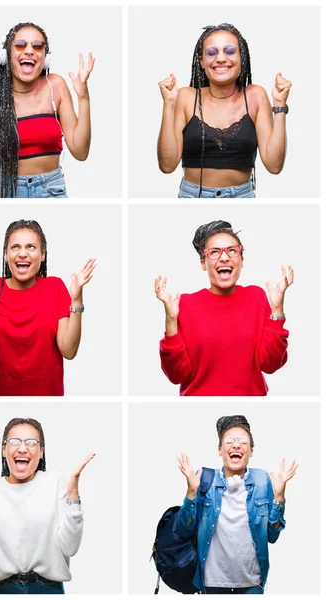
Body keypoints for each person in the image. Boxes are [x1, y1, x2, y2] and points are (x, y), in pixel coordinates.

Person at [0, 219, 96, 395]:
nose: (22, 253)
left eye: (31, 247)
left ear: (43, 254)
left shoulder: (55, 288)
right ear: (6, 254)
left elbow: (68, 351)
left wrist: (76, 300)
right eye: (15, 247)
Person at [0, 417, 94, 594]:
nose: (22, 448)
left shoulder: (56, 483)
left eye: (31, 442)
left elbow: (70, 548)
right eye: (14, 442)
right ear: (4, 449)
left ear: (41, 451)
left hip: (48, 590)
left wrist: (73, 497)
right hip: (4, 590)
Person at [155, 220, 292, 395]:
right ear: (203, 263)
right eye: (214, 252)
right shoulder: (185, 304)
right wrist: (171, 320)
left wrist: (277, 309)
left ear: (241, 260)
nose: (225, 257)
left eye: (232, 250)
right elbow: (176, 375)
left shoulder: (255, 297)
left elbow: (270, 364)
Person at [0, 22, 94, 198]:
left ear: (46, 58)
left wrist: (84, 98)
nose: (29, 50)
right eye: (20, 45)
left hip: (51, 190)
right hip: (7, 192)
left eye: (38, 46)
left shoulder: (56, 86)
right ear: (5, 55)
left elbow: (80, 152)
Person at [157, 23, 291, 198]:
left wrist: (280, 104)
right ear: (201, 61)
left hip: (242, 196)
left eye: (229, 51)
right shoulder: (186, 97)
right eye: (212, 53)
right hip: (192, 196)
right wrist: (168, 104)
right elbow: (167, 166)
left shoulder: (255, 96)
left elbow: (274, 165)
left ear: (242, 58)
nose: (220, 58)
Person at [176, 415, 297, 594]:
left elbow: (272, 535)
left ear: (252, 451)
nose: (236, 445)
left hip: (252, 585)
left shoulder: (263, 480)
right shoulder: (203, 479)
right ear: (219, 449)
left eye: (243, 442)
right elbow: (184, 530)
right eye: (229, 441)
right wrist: (192, 492)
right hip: (212, 584)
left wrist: (279, 496)